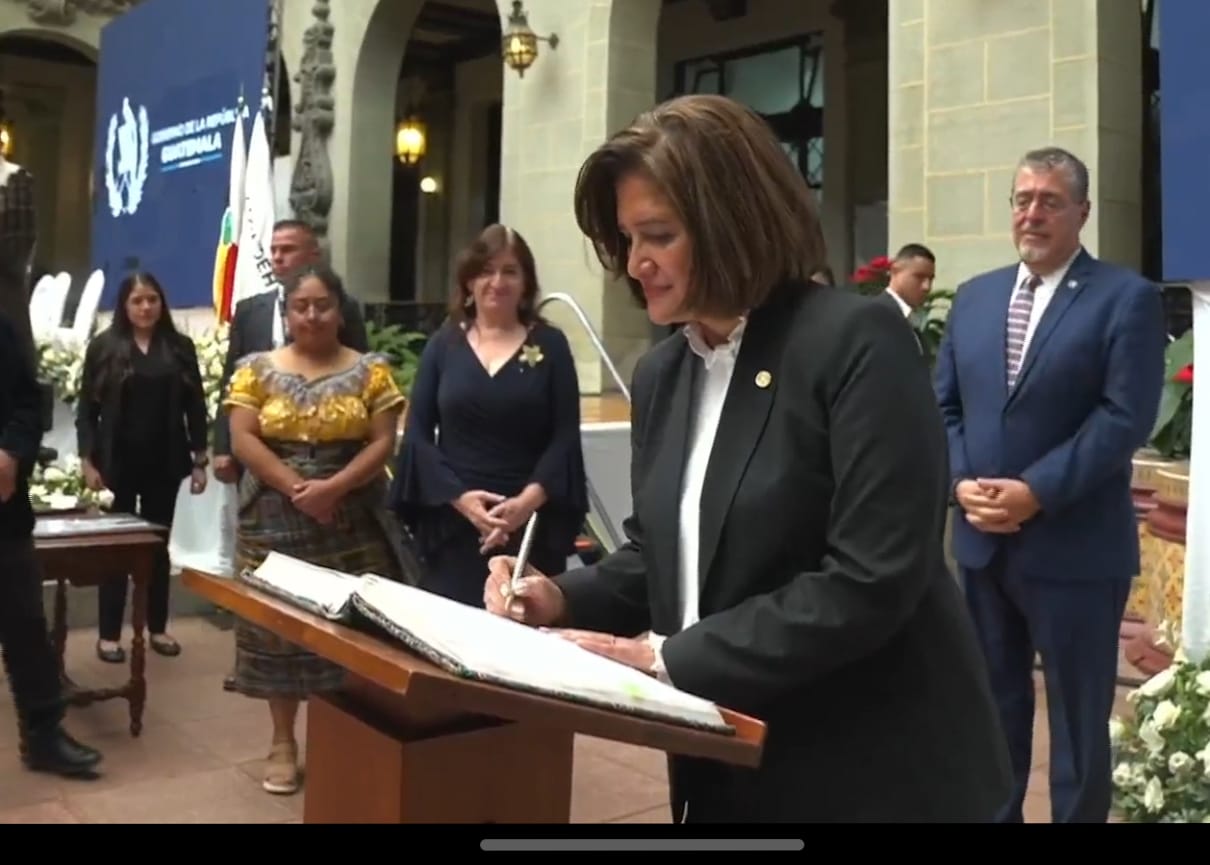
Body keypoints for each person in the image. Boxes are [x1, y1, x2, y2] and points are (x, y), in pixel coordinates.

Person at [483, 93, 1013, 822]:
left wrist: (667, 659)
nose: (636, 262)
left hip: (872, 773)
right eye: (627, 238)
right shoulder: (664, 374)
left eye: (658, 235)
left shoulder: (855, 341)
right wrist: (561, 596)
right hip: (727, 772)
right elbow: (664, 553)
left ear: (730, 221)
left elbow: (872, 577)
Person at [933, 146, 1167, 823]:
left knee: (1078, 729)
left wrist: (1036, 490)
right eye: (1023, 199)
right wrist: (959, 482)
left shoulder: (1126, 299)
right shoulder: (975, 298)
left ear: (1082, 212)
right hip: (982, 547)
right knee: (992, 714)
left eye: (1050, 201)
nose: (1032, 213)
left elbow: (1124, 417)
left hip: (1076, 550)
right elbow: (942, 406)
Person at [224, 264, 423, 796]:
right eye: (300, 306)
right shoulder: (255, 370)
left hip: (352, 517)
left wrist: (332, 489)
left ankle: (344, 738)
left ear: (340, 311)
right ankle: (282, 742)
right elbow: (243, 439)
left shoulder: (370, 372)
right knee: (278, 630)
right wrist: (298, 488)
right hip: (272, 516)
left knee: (356, 633)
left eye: (322, 305)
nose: (311, 315)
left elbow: (383, 442)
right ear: (287, 313)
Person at [390, 224, 588, 607]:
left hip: (529, 526)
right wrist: (462, 500)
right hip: (455, 524)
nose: (497, 282)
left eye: (510, 271)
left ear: (526, 283)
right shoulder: (443, 345)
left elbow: (564, 437)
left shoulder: (551, 345)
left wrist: (524, 505)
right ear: (469, 281)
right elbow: (417, 436)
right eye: (486, 271)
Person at [212, 218, 368, 691]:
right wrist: (223, 447)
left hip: (338, 487)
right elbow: (231, 384)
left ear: (312, 254)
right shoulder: (251, 310)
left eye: (288, 249)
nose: (278, 257)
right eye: (274, 249)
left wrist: (332, 486)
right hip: (264, 478)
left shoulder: (347, 310)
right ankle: (258, 671)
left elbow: (364, 396)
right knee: (267, 600)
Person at [76, 272, 210, 663]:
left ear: (161, 303)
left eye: (152, 299)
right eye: (137, 300)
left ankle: (157, 627)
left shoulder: (179, 347)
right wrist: (87, 459)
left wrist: (200, 459)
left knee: (157, 547)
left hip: (165, 460)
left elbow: (196, 406)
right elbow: (87, 410)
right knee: (115, 550)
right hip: (116, 462)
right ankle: (108, 635)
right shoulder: (104, 347)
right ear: (124, 305)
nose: (146, 307)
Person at [0, 309, 102, 778]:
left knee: (25, 625)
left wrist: (12, 451)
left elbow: (28, 403)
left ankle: (43, 736)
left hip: (3, 512)